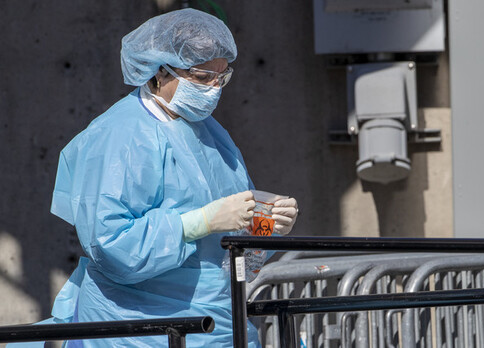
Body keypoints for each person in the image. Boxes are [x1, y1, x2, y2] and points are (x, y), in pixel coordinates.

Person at [41, 8, 298, 348]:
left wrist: (264, 229)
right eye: (202, 76)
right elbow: (110, 246)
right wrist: (198, 222)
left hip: (216, 323)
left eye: (221, 77)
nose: (214, 88)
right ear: (159, 72)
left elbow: (229, 256)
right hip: (139, 329)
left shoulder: (211, 135)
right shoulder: (119, 135)